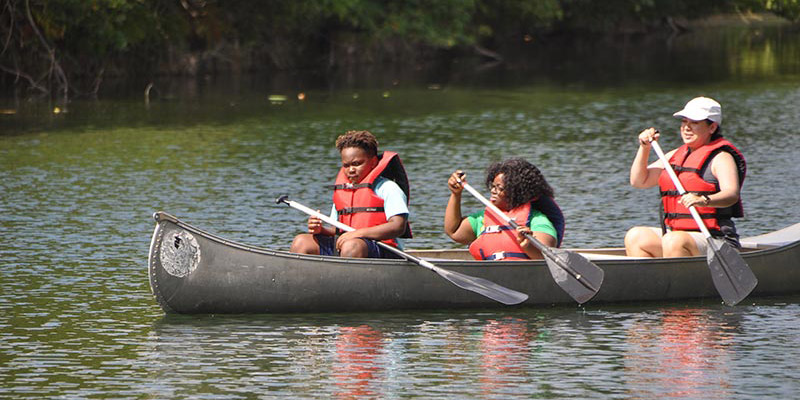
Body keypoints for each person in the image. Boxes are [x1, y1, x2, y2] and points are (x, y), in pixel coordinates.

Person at [625, 96, 746, 257]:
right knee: (636, 236)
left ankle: (677, 281)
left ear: (712, 127)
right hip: (679, 236)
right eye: (684, 122)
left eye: (694, 123)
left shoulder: (721, 158)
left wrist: (702, 200)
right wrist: (644, 148)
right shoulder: (674, 155)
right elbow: (639, 181)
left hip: (716, 239)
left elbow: (731, 194)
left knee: (674, 240)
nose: (686, 128)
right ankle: (652, 281)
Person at [290, 130, 411, 258]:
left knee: (351, 245)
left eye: (357, 164)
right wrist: (321, 230)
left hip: (384, 249)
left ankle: (346, 277)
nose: (351, 170)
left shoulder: (388, 188)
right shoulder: (344, 190)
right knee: (301, 242)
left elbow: (398, 226)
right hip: (350, 244)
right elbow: (338, 231)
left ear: (374, 162)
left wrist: (358, 233)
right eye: (346, 165)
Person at [444, 158, 565, 261]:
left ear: (516, 192)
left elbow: (547, 257)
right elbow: (454, 231)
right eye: (493, 186)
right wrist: (456, 194)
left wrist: (528, 246)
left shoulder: (538, 220)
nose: (492, 191)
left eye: (499, 188)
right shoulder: (483, 218)